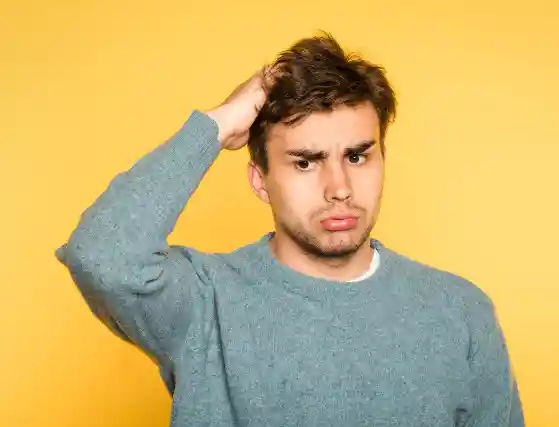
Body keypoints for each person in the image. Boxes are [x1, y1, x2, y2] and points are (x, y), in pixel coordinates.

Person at [55, 33, 524, 427]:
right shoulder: (204, 302)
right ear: (260, 178)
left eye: (358, 156)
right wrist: (215, 127)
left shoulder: (460, 312)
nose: (339, 187)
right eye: (305, 162)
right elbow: (101, 255)